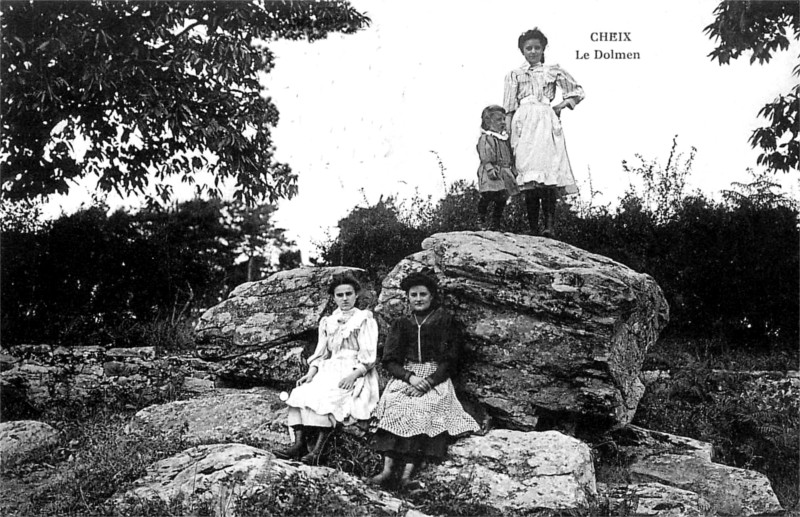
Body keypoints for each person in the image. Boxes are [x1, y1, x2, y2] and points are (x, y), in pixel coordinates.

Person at [369, 271, 479, 488]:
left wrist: (427, 383)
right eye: (413, 295)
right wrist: (410, 378)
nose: (418, 299)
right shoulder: (402, 323)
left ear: (432, 296)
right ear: (407, 298)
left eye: (423, 294)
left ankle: (407, 475)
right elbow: (389, 360)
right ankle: (387, 470)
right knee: (394, 405)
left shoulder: (445, 321)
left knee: (423, 408)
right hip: (408, 376)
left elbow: (452, 361)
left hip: (435, 377)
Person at [275, 273, 379, 464]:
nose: (345, 298)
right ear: (334, 298)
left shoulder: (364, 319)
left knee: (330, 397)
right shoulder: (328, 321)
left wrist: (354, 375)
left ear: (356, 295)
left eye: (349, 293)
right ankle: (298, 445)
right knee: (301, 392)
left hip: (354, 369)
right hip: (329, 369)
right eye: (340, 295)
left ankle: (317, 452)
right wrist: (311, 373)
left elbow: (369, 356)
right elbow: (322, 353)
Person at [503, 27, 585, 237]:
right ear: (522, 50)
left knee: (548, 176)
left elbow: (577, 91)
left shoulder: (552, 70)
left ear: (543, 49)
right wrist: (508, 133)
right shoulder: (514, 74)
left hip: (545, 123)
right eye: (528, 48)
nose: (532, 51)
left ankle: (549, 226)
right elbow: (510, 108)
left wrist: (560, 106)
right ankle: (532, 228)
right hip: (524, 124)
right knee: (528, 179)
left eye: (536, 47)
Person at [476, 105, 520, 230]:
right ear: (489, 122)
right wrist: (489, 167)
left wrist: (513, 168)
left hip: (504, 172)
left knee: (502, 198)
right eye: (498, 120)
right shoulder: (487, 138)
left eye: (503, 119)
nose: (503, 123)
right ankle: (481, 219)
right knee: (488, 195)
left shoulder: (504, 139)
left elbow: (510, 155)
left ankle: (495, 223)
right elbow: (485, 153)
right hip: (492, 171)